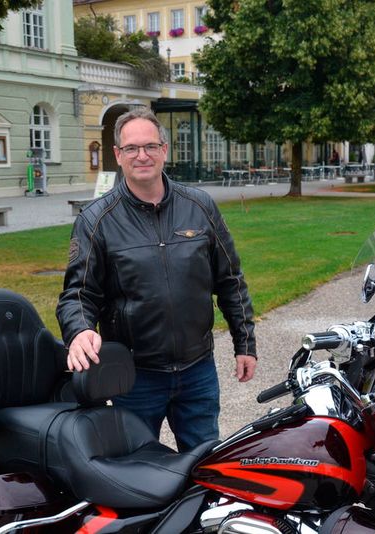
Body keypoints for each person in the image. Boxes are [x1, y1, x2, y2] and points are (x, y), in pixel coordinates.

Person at [56, 108, 256, 452]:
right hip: (135, 377)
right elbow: (77, 293)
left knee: (205, 466)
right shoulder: (96, 219)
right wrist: (79, 330)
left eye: (150, 146)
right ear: (118, 155)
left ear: (164, 150)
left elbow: (230, 279)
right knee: (136, 470)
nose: (142, 155)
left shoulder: (200, 206)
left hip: (197, 371)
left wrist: (245, 343)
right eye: (131, 148)